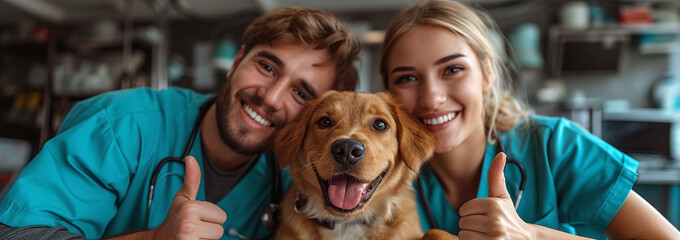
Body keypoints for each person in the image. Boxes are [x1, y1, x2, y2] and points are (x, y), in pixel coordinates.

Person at [0, 7, 360, 240]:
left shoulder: (297, 181)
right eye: (266, 67)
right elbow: (16, 234)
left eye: (301, 93)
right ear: (236, 62)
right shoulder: (123, 124)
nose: (271, 96)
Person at [380, 0, 680, 239]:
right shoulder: (381, 178)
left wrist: (532, 235)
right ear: (387, 93)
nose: (431, 98)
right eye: (407, 78)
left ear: (487, 73)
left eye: (453, 69)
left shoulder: (555, 146)